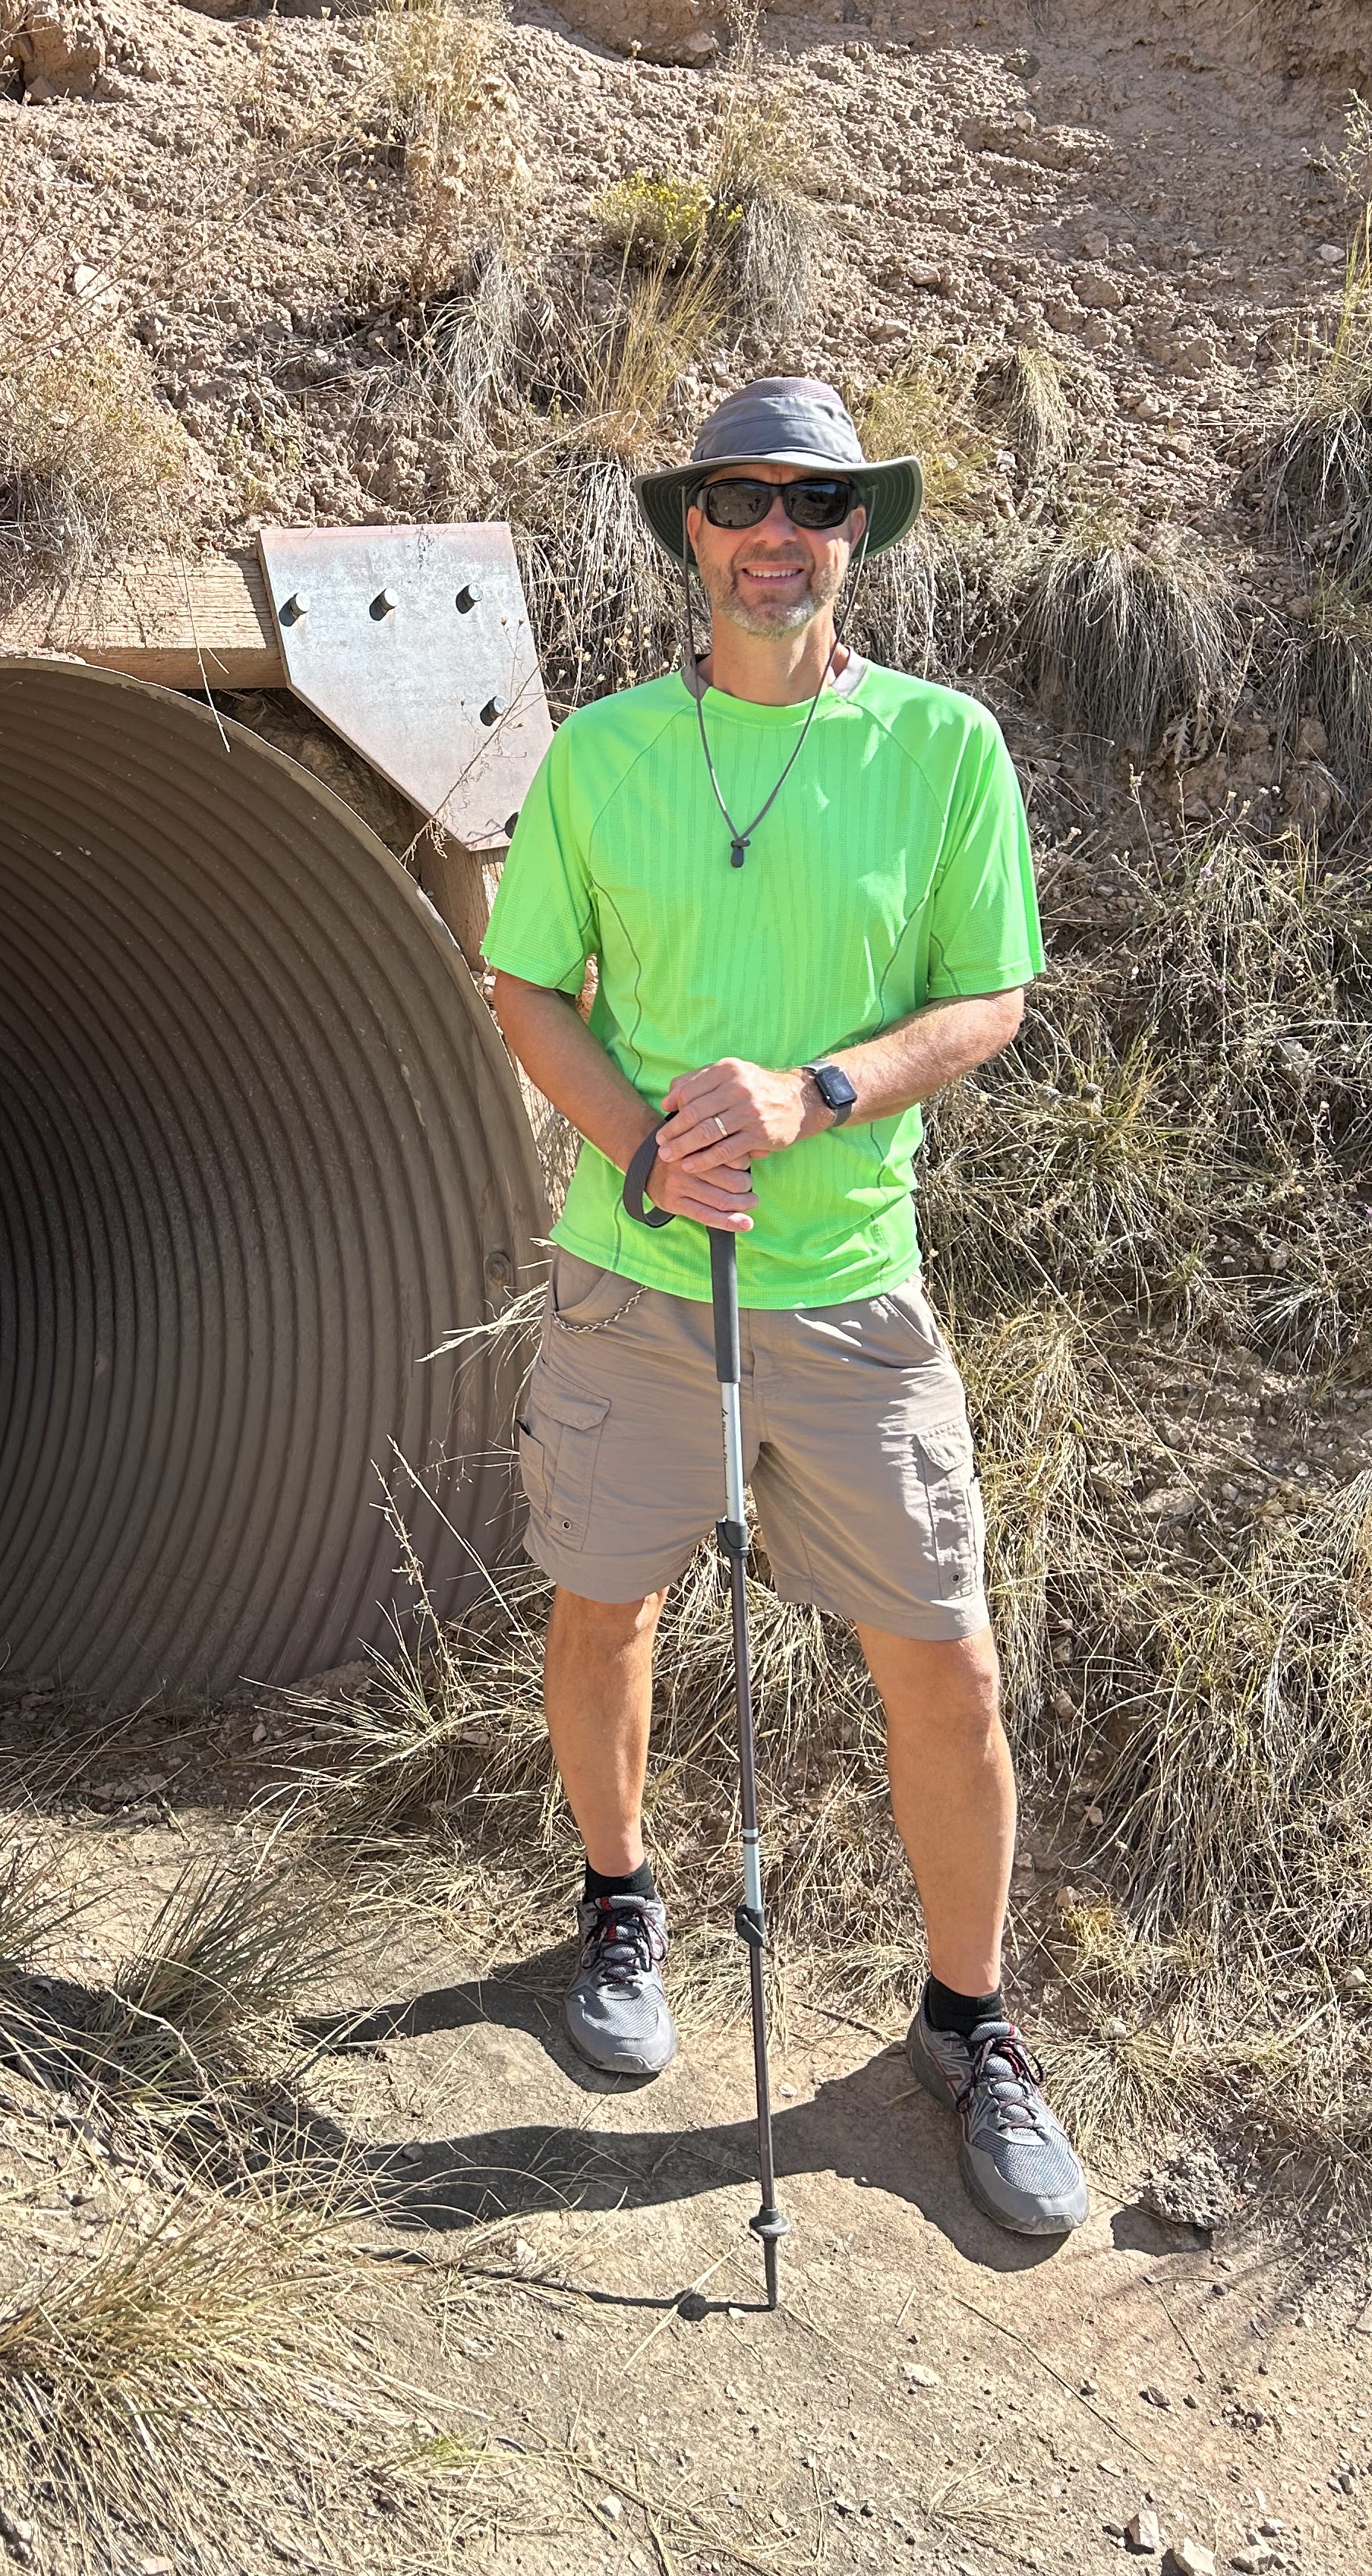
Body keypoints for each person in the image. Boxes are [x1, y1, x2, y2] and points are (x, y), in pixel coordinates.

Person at [481, 374, 1089, 2240]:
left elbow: (986, 999)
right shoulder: (600, 755)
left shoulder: (942, 748)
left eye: (814, 505)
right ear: (690, 531)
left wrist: (814, 1094)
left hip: (847, 1292)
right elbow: (529, 991)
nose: (775, 534)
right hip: (636, 1281)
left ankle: (966, 2025)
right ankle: (622, 1908)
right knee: (607, 1607)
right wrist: (649, 1154)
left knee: (947, 1660)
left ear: (855, 540)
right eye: (740, 498)